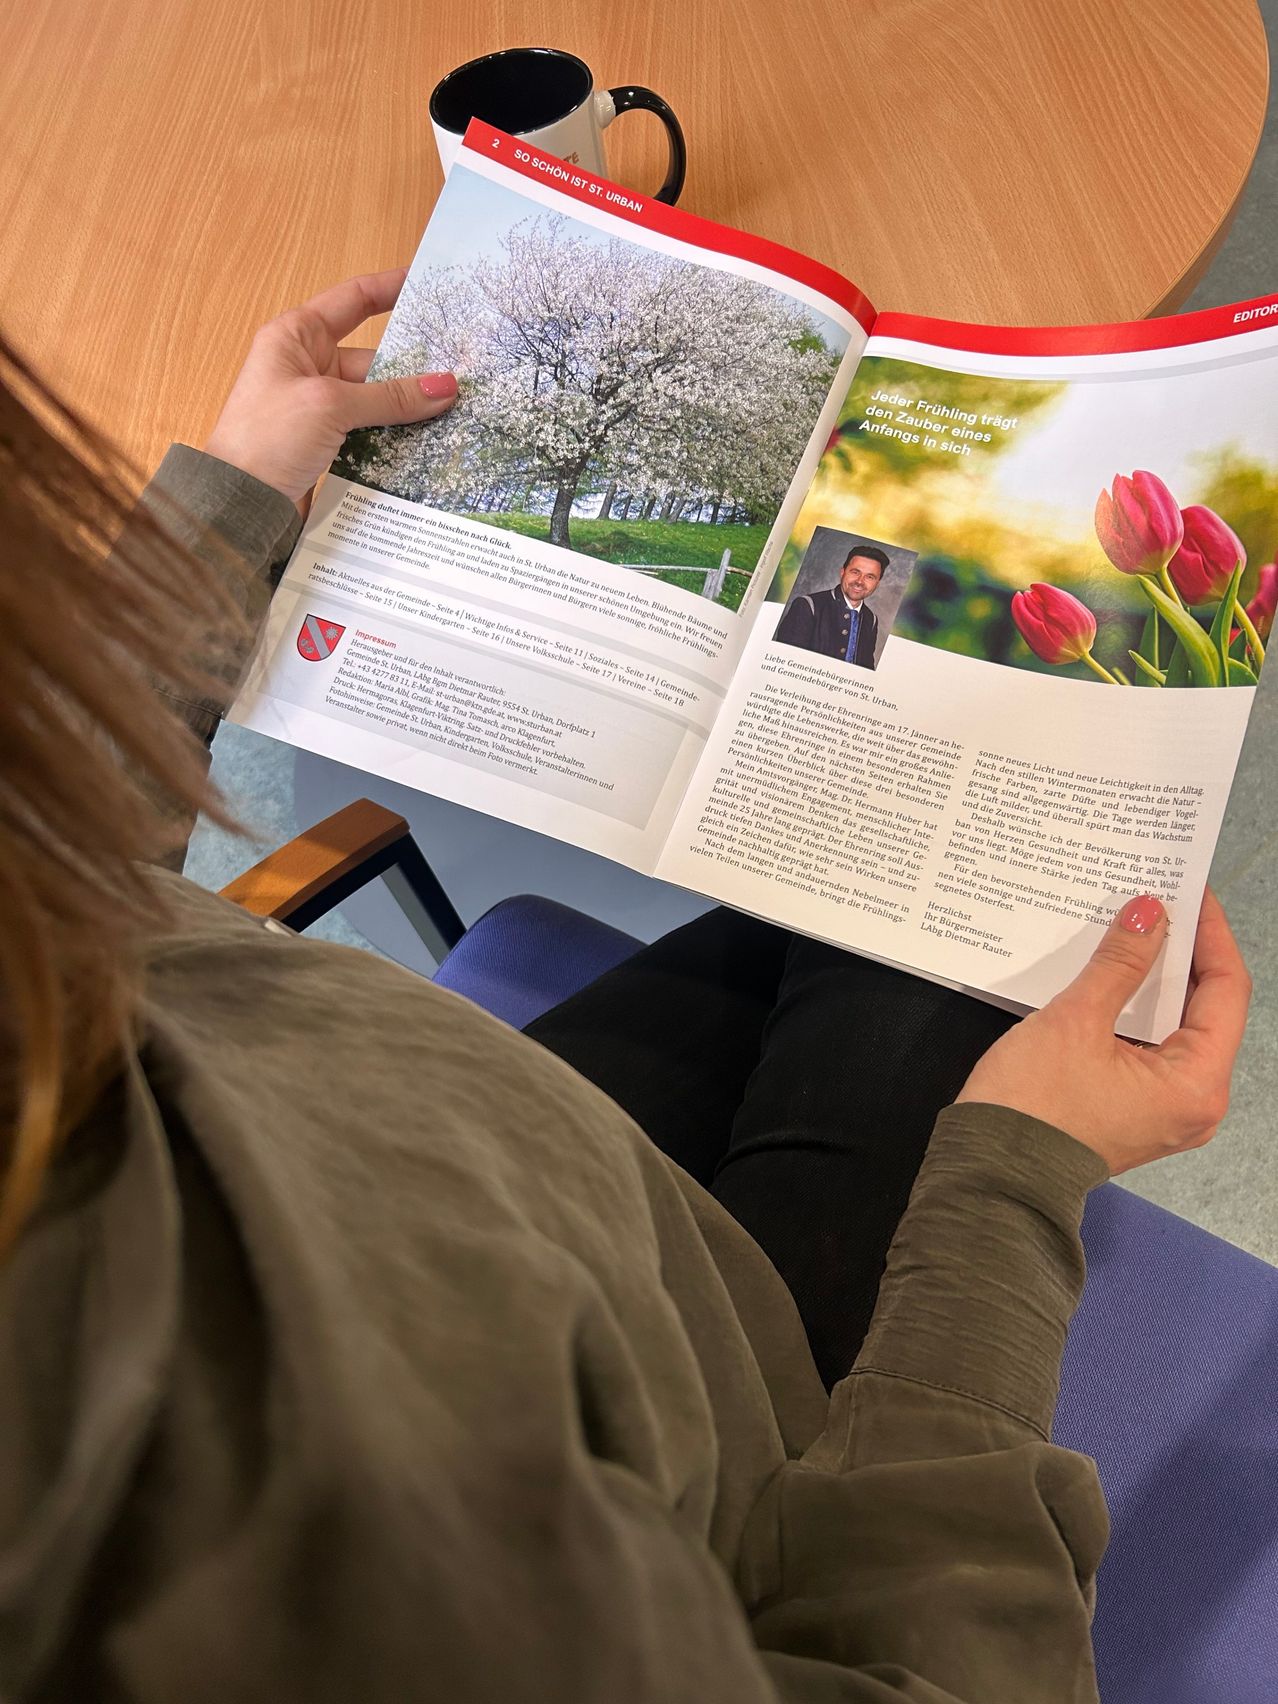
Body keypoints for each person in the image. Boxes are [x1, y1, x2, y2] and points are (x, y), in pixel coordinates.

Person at [0, 271, 1251, 1704]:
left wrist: (229, 502)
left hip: (474, 1158)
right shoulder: (245, 1567)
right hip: (746, 1469)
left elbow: (48, 872)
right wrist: (1014, 1186)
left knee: (868, 863)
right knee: (1005, 925)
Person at [774, 543, 887, 666]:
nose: (860, 581)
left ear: (877, 583)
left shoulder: (871, 620)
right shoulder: (808, 606)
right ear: (842, 572)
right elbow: (785, 660)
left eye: (870, 577)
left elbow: (866, 668)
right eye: (855, 572)